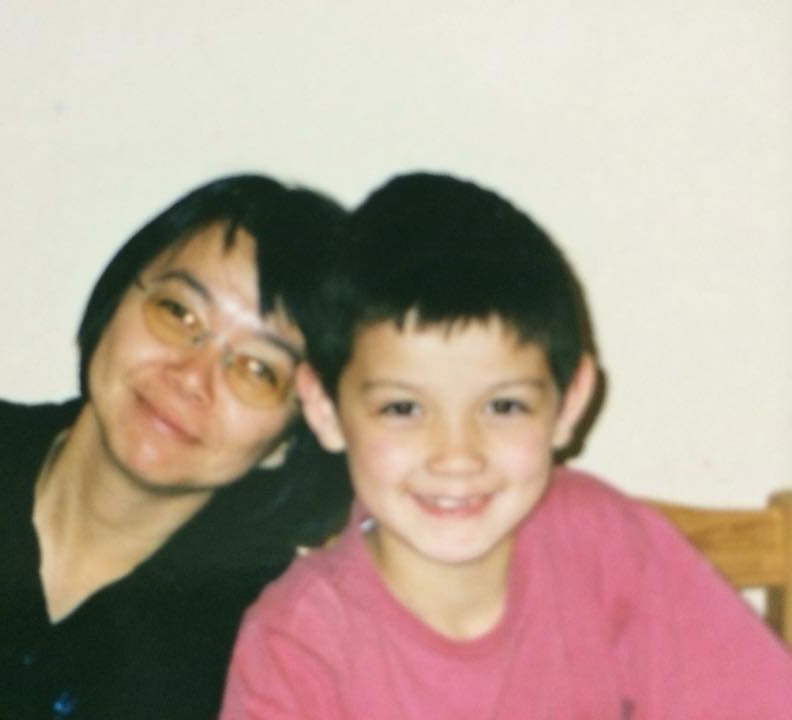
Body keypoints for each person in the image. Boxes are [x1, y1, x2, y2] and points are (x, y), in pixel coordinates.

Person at [220, 172, 792, 719]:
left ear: (568, 404)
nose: (457, 456)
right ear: (325, 410)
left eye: (503, 407)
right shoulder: (297, 645)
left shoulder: (603, 541)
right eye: (403, 409)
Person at [0, 174, 352, 720]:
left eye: (257, 370)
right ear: (116, 299)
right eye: (178, 313)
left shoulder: (268, 634)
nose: (190, 376)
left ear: (289, 439)